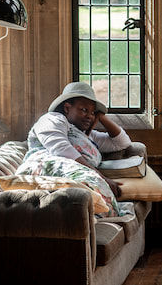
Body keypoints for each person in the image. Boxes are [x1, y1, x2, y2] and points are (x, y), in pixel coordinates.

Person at [16, 81, 145, 216]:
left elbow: (122, 143)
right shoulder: (53, 119)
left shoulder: (87, 136)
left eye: (93, 112)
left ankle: (101, 214)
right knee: (91, 181)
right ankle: (98, 215)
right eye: (84, 110)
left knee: (92, 183)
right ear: (67, 108)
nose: (89, 115)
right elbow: (61, 148)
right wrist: (101, 176)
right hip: (46, 165)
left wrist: (101, 117)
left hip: (77, 169)